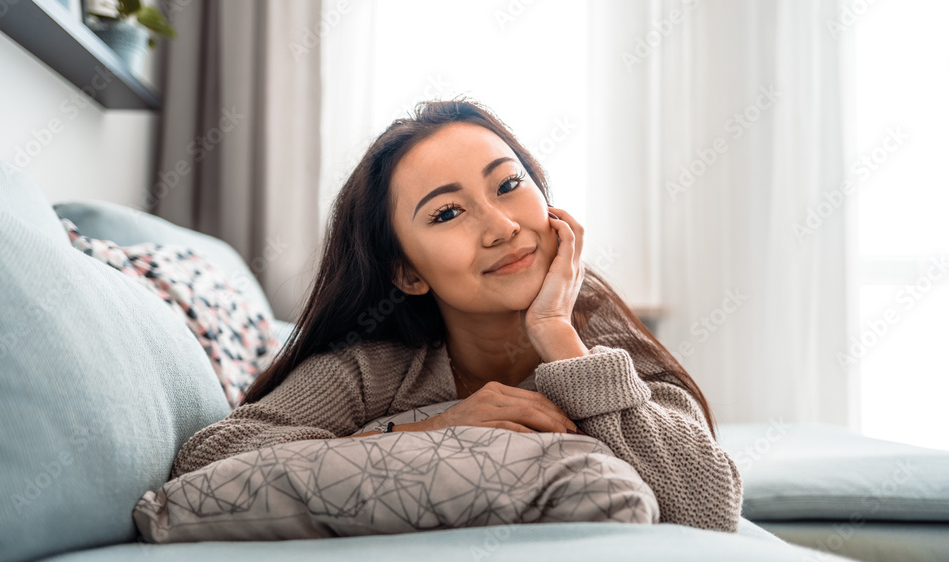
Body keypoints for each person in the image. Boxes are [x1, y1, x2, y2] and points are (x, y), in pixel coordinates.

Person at [168, 97, 743, 533]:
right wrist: (430, 432)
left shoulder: (603, 336)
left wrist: (558, 338)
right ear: (407, 273)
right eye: (447, 213)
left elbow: (709, 508)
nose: (501, 227)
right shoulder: (375, 368)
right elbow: (207, 462)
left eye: (510, 185)